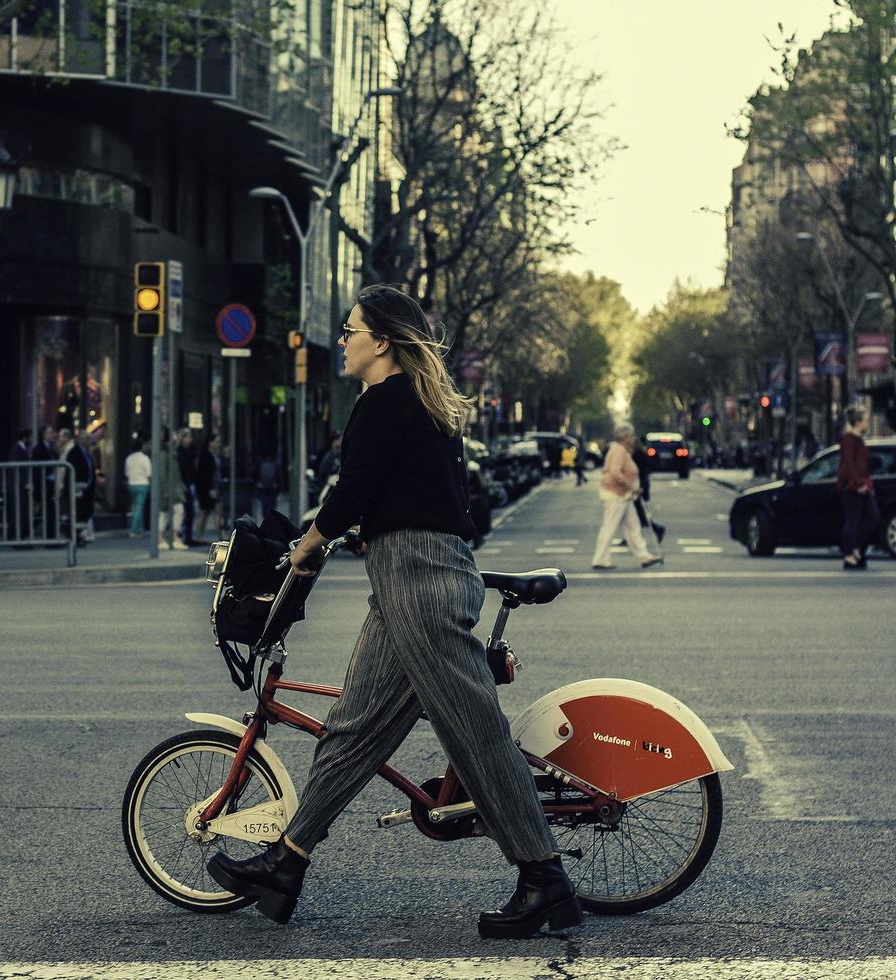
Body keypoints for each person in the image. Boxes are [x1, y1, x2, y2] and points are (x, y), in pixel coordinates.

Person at [206, 283, 581, 940]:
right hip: (405, 576)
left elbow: (355, 491)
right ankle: (285, 864)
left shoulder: (385, 400)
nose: (345, 340)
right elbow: (398, 495)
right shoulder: (416, 403)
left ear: (381, 341)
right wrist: (352, 530)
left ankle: (545, 877)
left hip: (419, 581)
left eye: (352, 330)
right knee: (353, 729)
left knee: (475, 730)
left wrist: (308, 546)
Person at [590, 424, 661, 570]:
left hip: (624, 495)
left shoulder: (624, 451)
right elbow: (615, 472)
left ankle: (644, 556)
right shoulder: (618, 451)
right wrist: (631, 486)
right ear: (625, 438)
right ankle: (600, 559)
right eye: (631, 436)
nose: (634, 439)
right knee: (609, 527)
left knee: (633, 527)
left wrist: (632, 489)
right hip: (616, 494)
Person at [838, 406, 878, 570]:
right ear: (858, 421)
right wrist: (859, 483)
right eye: (866, 420)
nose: (868, 423)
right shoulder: (848, 439)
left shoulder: (859, 439)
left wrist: (867, 483)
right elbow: (849, 464)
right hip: (851, 486)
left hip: (863, 484)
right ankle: (849, 555)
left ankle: (855, 548)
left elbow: (863, 464)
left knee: (873, 517)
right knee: (853, 520)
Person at [64, 428, 97, 545]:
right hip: (78, 488)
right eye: (87, 439)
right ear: (81, 440)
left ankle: (77, 535)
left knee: (85, 512)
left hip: (87, 488)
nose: (89, 441)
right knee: (77, 512)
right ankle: (73, 537)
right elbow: (72, 470)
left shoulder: (87, 452)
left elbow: (90, 468)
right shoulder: (74, 452)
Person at [159, 429, 188, 550]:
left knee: (167, 512)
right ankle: (170, 537)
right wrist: (165, 489)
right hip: (169, 488)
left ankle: (169, 537)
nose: (175, 438)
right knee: (169, 511)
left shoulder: (170, 452)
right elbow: (162, 473)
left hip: (174, 487)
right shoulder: (165, 453)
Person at [7, 428, 35, 544]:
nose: (31, 440)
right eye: (30, 438)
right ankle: (13, 535)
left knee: (23, 510)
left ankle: (20, 534)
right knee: (18, 510)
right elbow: (16, 469)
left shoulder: (23, 449)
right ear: (25, 438)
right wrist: (25, 482)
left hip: (22, 485)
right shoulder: (17, 450)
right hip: (18, 485)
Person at [196, 434, 224, 540]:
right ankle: (201, 535)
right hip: (208, 488)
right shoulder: (206, 456)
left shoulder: (214, 455)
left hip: (215, 486)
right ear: (210, 443)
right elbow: (205, 474)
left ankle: (218, 534)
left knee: (212, 511)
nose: (218, 444)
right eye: (216, 441)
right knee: (206, 512)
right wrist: (210, 488)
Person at [176, 428, 200, 546]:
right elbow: (182, 468)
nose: (190, 439)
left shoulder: (190, 451)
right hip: (183, 484)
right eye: (188, 437)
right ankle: (182, 534)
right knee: (187, 511)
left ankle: (186, 535)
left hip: (190, 483)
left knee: (190, 511)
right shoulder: (179, 452)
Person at [124, 438, 152, 537]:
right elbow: (149, 473)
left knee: (135, 506)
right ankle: (134, 529)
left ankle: (140, 529)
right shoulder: (145, 458)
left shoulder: (129, 458)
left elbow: (126, 473)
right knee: (140, 507)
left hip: (131, 483)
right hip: (142, 484)